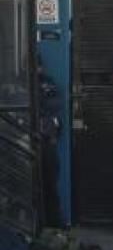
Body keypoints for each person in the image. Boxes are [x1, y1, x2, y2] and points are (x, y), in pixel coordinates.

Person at [38, 58, 62, 227]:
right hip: (24, 139)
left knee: (50, 186)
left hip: (46, 141)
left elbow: (54, 104)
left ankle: (54, 226)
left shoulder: (47, 83)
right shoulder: (16, 81)